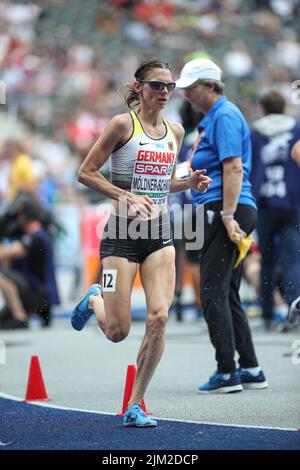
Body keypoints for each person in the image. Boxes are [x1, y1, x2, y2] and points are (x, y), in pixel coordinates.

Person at [70, 57, 212, 426]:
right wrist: (123, 195)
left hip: (159, 234)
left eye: (170, 86)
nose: (165, 92)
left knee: (160, 318)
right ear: (139, 88)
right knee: (118, 332)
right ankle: (95, 298)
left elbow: (161, 183)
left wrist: (188, 183)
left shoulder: (176, 132)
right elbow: (85, 173)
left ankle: (135, 404)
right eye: (157, 85)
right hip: (122, 235)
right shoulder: (122, 125)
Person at [175, 57, 268, 393]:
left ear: (211, 86)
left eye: (191, 88)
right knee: (226, 291)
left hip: (225, 210)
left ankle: (227, 372)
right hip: (227, 208)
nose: (185, 93)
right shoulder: (214, 117)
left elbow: (233, 168)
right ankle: (251, 367)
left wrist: (227, 216)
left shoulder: (224, 115)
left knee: (212, 291)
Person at [251, 90, 300, 330]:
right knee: (293, 260)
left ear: (263, 109)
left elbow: (249, 165)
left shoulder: (255, 131)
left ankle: (268, 315)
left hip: (264, 202)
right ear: (283, 108)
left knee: (266, 261)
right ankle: (294, 313)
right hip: (292, 201)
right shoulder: (296, 128)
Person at [0, 197, 60, 329]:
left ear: (26, 216)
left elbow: (6, 254)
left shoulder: (35, 236)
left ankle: (19, 317)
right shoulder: (42, 234)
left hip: (38, 294)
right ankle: (16, 313)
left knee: (2, 275)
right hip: (43, 295)